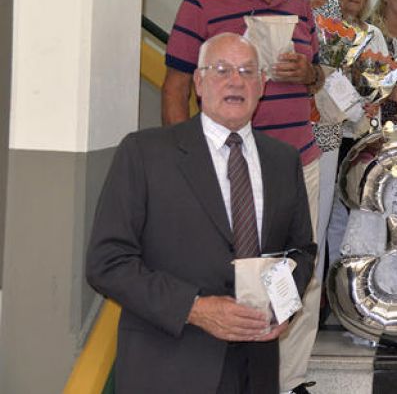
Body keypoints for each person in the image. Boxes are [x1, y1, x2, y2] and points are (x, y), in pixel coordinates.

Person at [87, 33, 316, 394]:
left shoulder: (283, 161)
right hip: (169, 365)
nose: (235, 80)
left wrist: (281, 303)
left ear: (262, 85)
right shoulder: (145, 153)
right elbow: (107, 263)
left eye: (246, 71)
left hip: (255, 369)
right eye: (221, 69)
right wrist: (194, 308)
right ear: (198, 82)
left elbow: (300, 250)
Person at [160, 0, 323, 394]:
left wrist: (308, 74)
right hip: (227, 166)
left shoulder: (300, 2)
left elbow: (318, 77)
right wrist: (180, 162)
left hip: (297, 163)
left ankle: (289, 383)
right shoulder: (202, 2)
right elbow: (175, 87)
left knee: (298, 280)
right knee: (222, 274)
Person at [319, 0, 388, 271]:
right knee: (328, 213)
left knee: (360, 211)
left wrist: (376, 100)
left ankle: (355, 282)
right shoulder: (321, 30)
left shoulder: (373, 34)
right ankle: (327, 284)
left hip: (362, 134)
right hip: (330, 131)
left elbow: (385, 79)